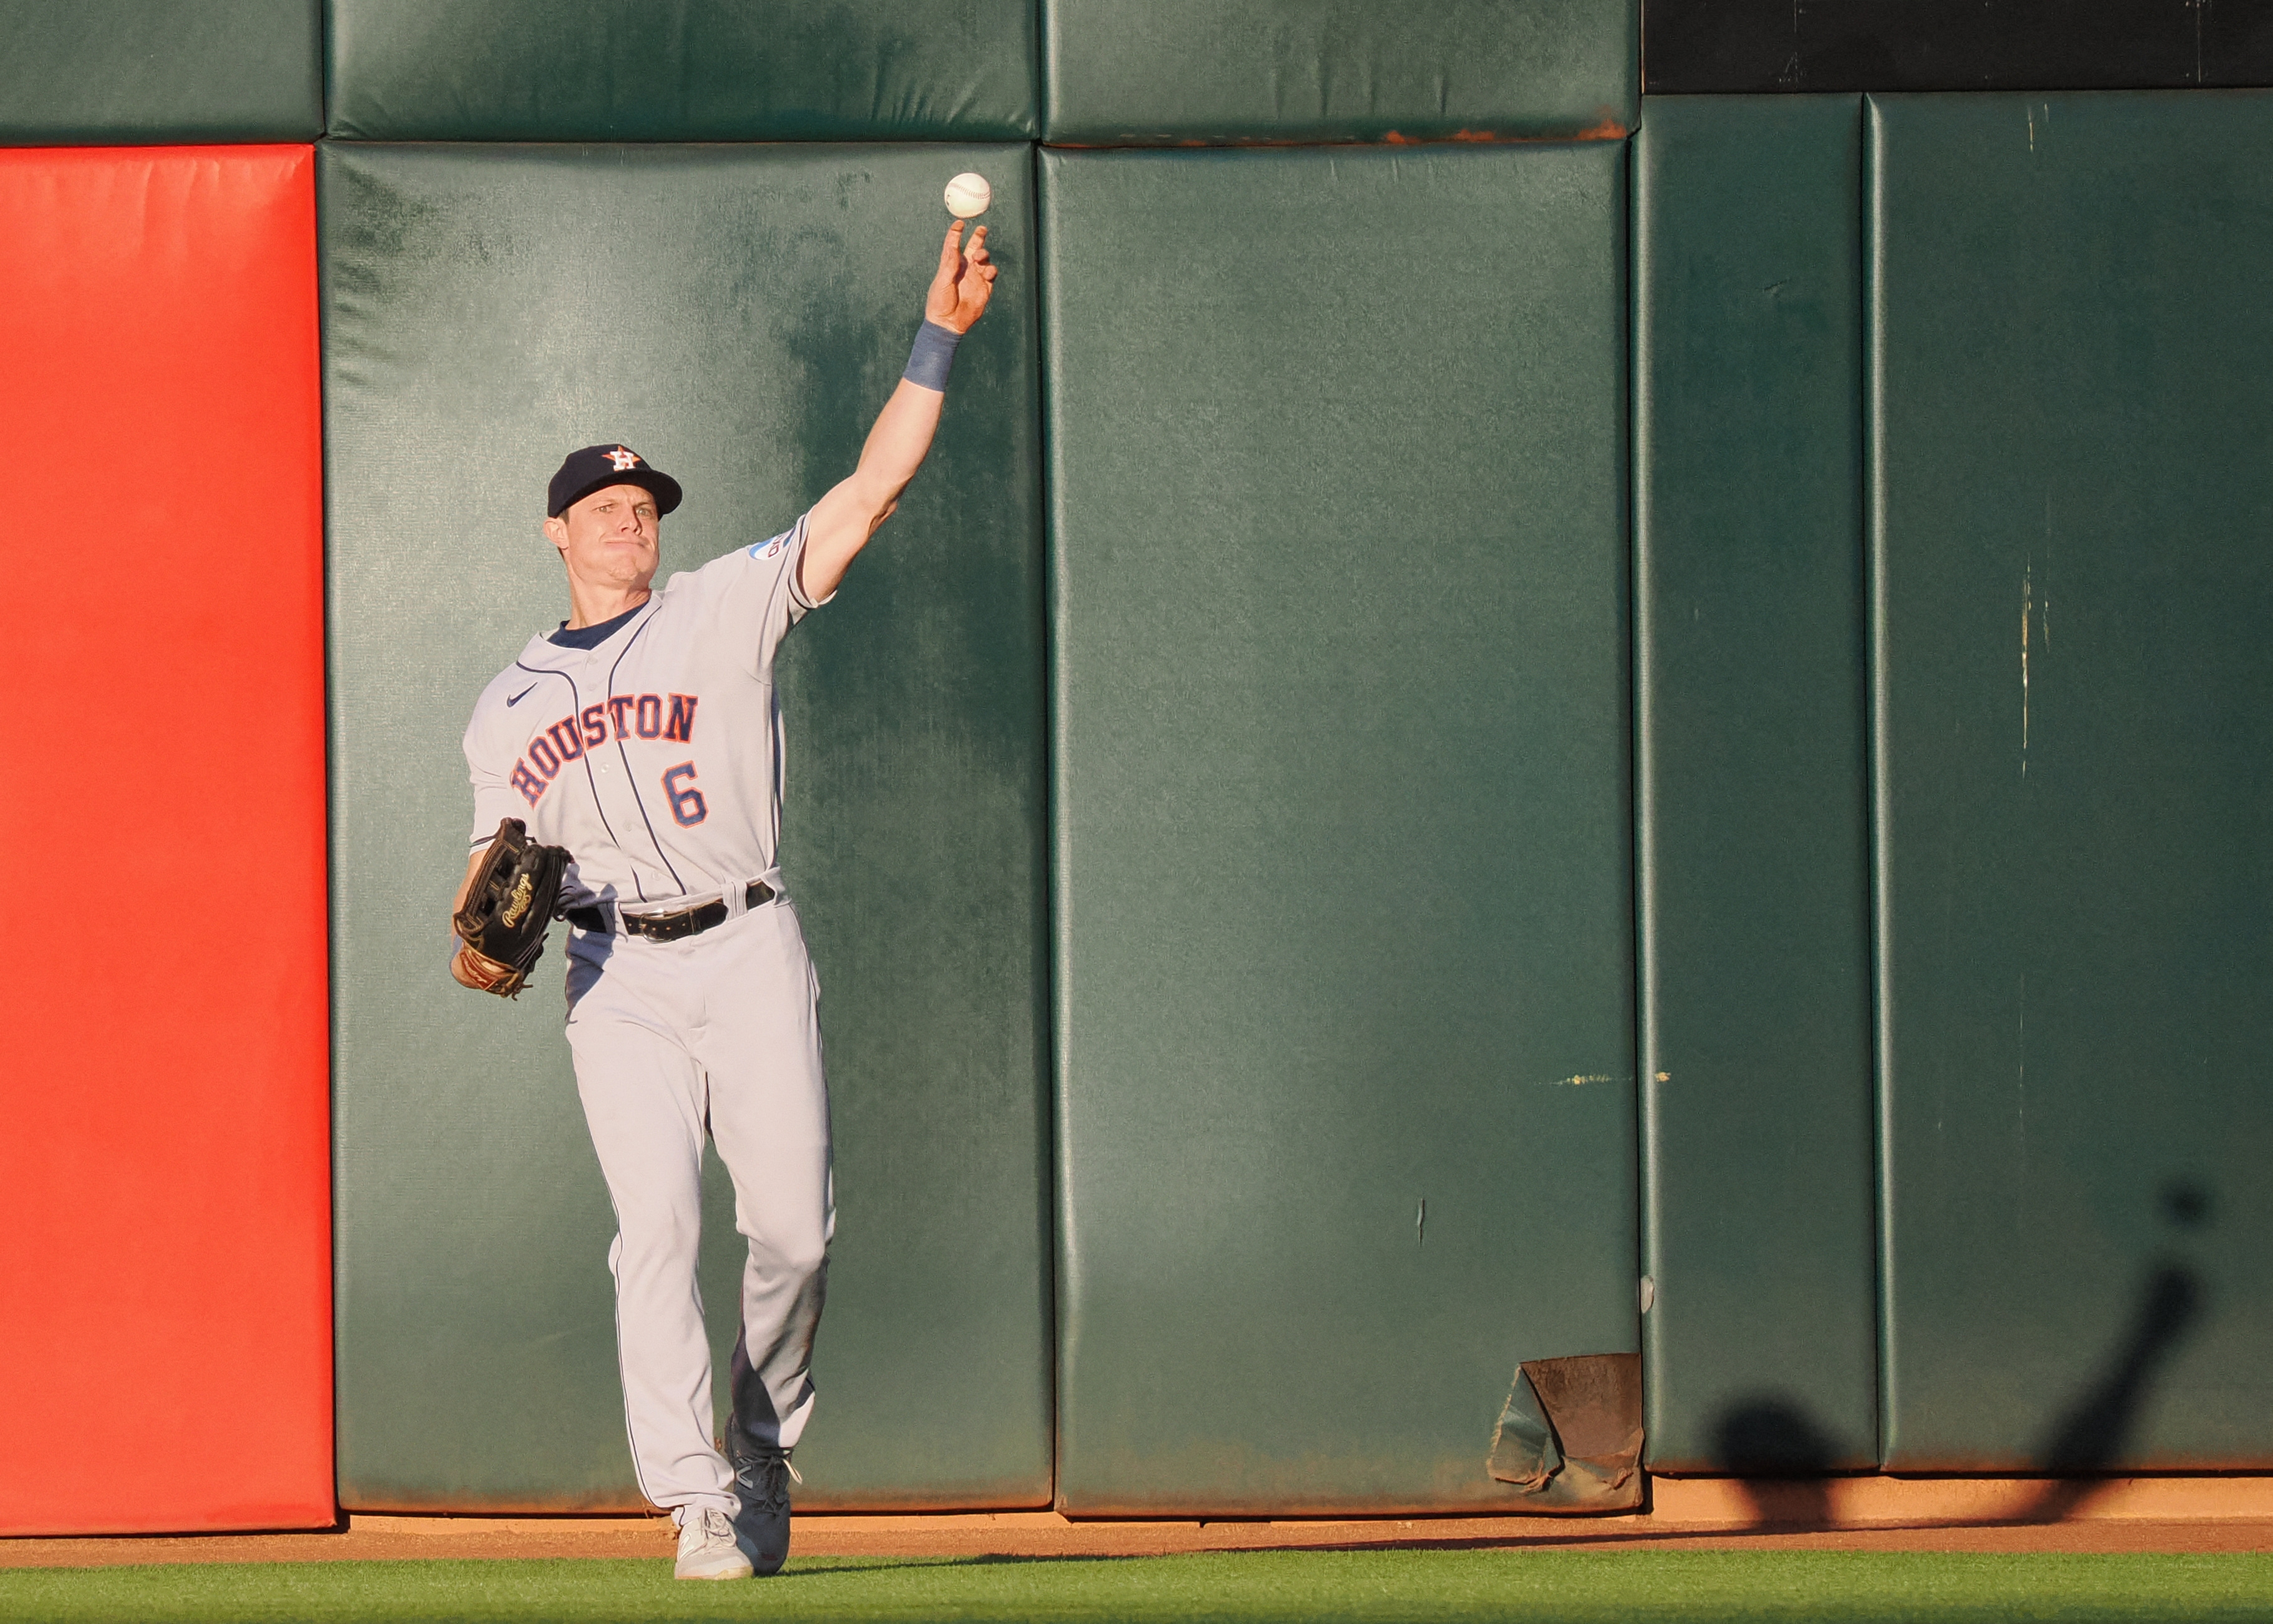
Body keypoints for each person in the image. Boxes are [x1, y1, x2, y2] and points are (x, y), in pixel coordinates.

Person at [449, 221, 997, 1581]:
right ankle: (693, 1495)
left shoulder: (723, 606)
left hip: (748, 940)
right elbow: (488, 872)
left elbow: (870, 489)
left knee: (796, 1232)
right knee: (660, 1229)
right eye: (604, 507)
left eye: (645, 506)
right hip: (614, 976)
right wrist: (474, 932)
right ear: (556, 532)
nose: (631, 519)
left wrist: (938, 337)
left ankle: (761, 1448)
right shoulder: (506, 705)